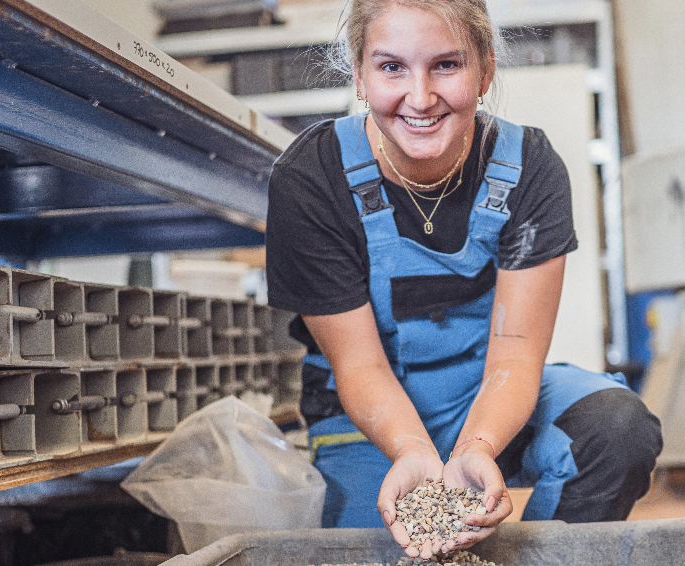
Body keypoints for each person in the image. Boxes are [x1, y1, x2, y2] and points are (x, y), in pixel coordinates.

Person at [265, 0, 663, 559]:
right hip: (367, 413)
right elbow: (359, 365)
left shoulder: (528, 167)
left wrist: (478, 446)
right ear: (358, 74)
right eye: (391, 68)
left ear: (486, 70)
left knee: (617, 431)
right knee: (379, 549)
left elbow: (516, 357)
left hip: (492, 395)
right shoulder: (311, 180)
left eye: (446, 65)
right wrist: (411, 451)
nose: (421, 97)